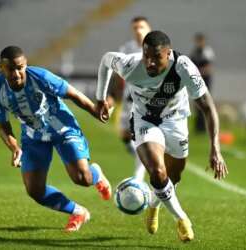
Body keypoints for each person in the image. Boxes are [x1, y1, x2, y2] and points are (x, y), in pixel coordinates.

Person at [95, 31, 228, 242]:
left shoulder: (184, 68)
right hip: (144, 120)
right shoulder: (130, 65)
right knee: (157, 170)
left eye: (156, 57)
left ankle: (154, 205)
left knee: (173, 177)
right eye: (146, 55)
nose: (149, 62)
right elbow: (105, 60)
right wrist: (100, 98)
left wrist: (216, 149)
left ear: (168, 53)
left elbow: (208, 108)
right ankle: (181, 218)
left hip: (175, 121)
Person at [0, 46, 111, 233]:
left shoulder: (41, 77)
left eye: (19, 67)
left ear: (25, 64)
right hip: (33, 136)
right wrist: (14, 147)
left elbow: (73, 94)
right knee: (34, 190)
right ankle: (78, 212)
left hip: (62, 127)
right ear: (1, 67)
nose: (16, 73)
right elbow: (3, 127)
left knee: (82, 178)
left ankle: (95, 173)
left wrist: (96, 111)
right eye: (10, 69)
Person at [110, 16, 151, 181]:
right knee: (125, 135)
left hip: (148, 100)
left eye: (141, 26)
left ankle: (138, 178)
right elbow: (116, 74)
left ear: (148, 28)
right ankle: (143, 157)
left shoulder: (156, 46)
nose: (139, 30)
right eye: (135, 27)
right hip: (129, 100)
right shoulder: (126, 48)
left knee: (142, 138)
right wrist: (112, 96)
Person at [189, 33, 215, 133]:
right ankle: (198, 127)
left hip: (205, 81)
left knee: (205, 103)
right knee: (197, 103)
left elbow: (209, 68)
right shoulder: (195, 52)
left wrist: (198, 72)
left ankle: (205, 127)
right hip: (196, 80)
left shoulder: (207, 51)